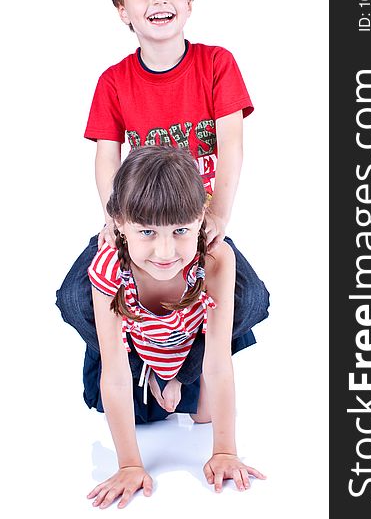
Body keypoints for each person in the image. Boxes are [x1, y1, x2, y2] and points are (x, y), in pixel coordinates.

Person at [56, 0, 269, 416]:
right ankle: (130, 360)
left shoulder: (217, 64)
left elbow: (232, 144)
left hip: (192, 227)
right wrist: (115, 220)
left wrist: (219, 215)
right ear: (123, 11)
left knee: (252, 299)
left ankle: (183, 373)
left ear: (190, 3)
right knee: (73, 297)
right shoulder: (113, 81)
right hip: (141, 225)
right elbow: (106, 157)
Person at [84, 146, 266, 507]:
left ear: (201, 218)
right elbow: (115, 374)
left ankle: (176, 377)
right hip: (135, 357)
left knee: (205, 417)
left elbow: (217, 361)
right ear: (118, 221)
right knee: (137, 417)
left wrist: (226, 450)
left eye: (181, 230)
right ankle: (152, 374)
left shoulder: (215, 260)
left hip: (187, 352)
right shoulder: (108, 269)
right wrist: (130, 464)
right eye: (147, 232)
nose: (166, 252)